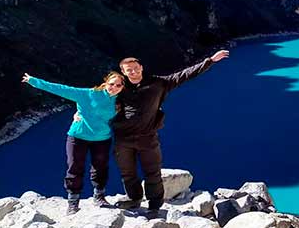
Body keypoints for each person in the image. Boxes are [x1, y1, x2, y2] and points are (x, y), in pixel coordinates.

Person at [112, 50, 230, 216]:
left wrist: (209, 61)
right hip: (123, 139)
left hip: (147, 137)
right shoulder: (118, 88)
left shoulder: (158, 83)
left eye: (135, 68)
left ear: (141, 67)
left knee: (152, 173)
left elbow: (184, 75)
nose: (133, 72)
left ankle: (154, 206)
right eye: (128, 70)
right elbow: (96, 100)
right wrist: (80, 113)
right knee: (127, 172)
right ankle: (134, 199)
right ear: (123, 72)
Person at [22, 71, 125, 214]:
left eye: (118, 85)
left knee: (100, 167)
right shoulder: (87, 94)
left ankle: (99, 196)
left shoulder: (121, 101)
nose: (113, 87)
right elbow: (60, 89)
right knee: (75, 167)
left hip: (102, 139)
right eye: (111, 84)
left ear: (122, 88)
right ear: (105, 83)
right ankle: (73, 202)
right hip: (78, 137)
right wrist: (34, 81)